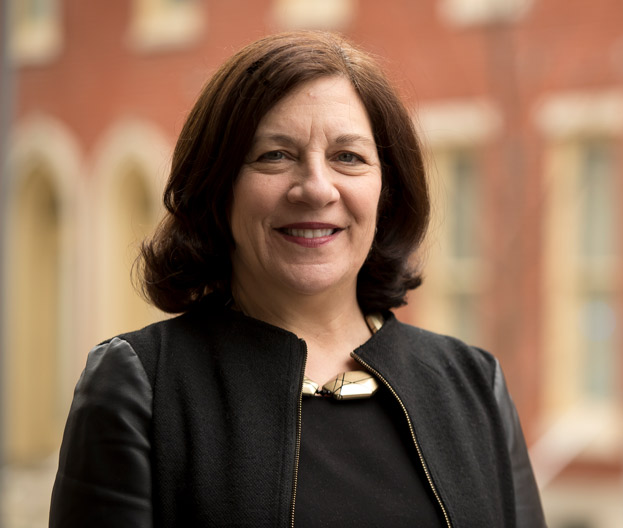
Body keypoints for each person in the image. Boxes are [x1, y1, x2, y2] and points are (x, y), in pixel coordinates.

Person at [49, 30, 545, 527]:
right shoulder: (142, 384)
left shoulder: (475, 385)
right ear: (218, 186)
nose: (315, 188)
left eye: (347, 157)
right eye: (275, 156)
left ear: (385, 190)